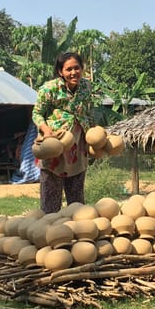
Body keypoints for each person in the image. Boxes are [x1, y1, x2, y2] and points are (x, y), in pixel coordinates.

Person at [32, 52, 95, 213]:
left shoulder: (86, 87)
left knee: (77, 201)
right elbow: (36, 113)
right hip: (54, 146)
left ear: (82, 69)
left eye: (77, 68)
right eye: (69, 69)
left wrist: (94, 137)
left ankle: (77, 232)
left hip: (77, 148)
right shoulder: (49, 88)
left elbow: (88, 112)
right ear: (61, 71)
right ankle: (48, 232)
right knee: (50, 201)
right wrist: (46, 131)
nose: (73, 72)